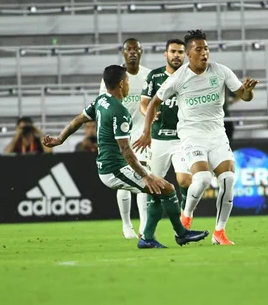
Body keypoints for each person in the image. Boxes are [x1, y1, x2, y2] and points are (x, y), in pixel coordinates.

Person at [43, 65, 209, 249]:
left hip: (112, 166)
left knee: (156, 193)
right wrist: (145, 175)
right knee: (167, 188)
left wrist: (60, 139)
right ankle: (181, 234)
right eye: (128, 81)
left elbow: (78, 119)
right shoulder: (119, 111)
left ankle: (148, 238)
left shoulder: (101, 101)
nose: (129, 84)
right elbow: (126, 151)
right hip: (115, 169)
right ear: (122, 84)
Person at [134, 30, 258, 245]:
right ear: (189, 54)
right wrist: (146, 132)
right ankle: (186, 217)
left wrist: (247, 91)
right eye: (198, 49)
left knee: (228, 179)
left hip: (217, 134)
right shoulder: (179, 77)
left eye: (206, 48)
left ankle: (220, 233)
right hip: (191, 135)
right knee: (201, 179)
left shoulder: (220, 71)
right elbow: (153, 102)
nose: (204, 53)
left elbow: (244, 96)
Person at [99, 38, 151, 239]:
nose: (132, 52)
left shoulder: (148, 75)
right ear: (123, 53)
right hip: (119, 132)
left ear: (141, 51)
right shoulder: (112, 77)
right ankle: (127, 225)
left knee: (142, 173)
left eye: (136, 49)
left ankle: (144, 226)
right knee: (125, 179)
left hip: (140, 132)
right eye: (128, 49)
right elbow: (103, 105)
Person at [140, 38, 192, 213]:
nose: (176, 55)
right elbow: (143, 103)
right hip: (158, 138)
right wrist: (149, 113)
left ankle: (185, 217)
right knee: (154, 184)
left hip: (182, 139)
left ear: (185, 55)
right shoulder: (154, 76)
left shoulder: (191, 76)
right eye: (173, 51)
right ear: (166, 54)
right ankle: (147, 229)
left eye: (180, 52)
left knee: (185, 180)